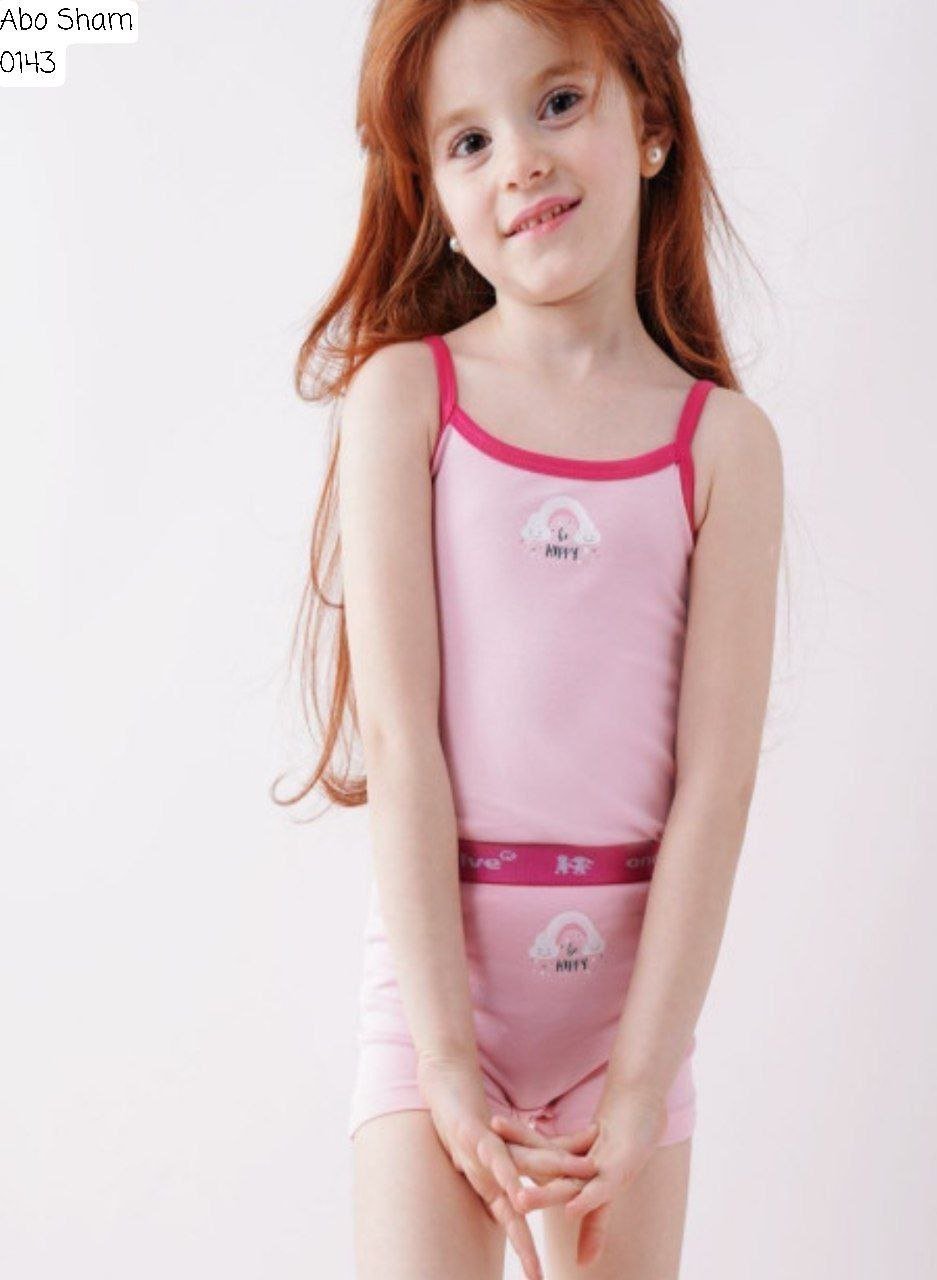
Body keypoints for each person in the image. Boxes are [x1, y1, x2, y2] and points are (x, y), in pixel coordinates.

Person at [276, 1, 784, 1276]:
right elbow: (402, 741)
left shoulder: (725, 446)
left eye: (558, 102)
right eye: (468, 140)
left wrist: (639, 1081)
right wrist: (447, 1063)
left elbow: (715, 790)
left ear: (651, 122)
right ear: (434, 193)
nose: (521, 161)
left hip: (630, 1032)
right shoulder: (405, 397)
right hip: (441, 1016)